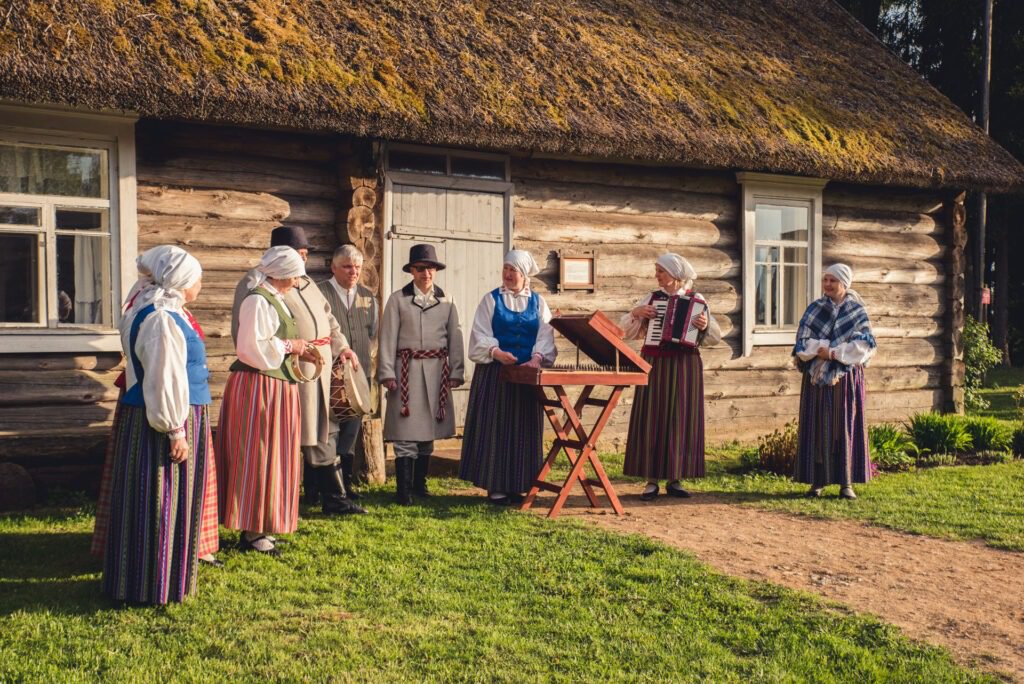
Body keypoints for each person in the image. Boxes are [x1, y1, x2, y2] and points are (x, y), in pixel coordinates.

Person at [93, 250, 221, 568]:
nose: (201, 284)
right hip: (167, 416)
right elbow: (163, 377)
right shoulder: (161, 319)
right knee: (163, 490)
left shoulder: (162, 312)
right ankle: (156, 563)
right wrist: (176, 430)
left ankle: (171, 555)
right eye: (197, 278)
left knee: (172, 492)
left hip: (178, 411)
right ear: (181, 281)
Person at [231, 227, 364, 517]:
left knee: (324, 428)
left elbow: (329, 320)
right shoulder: (255, 285)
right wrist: (279, 360)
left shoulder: (305, 282)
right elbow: (244, 335)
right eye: (297, 255)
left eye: (304, 256)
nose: (302, 263)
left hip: (320, 364)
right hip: (290, 370)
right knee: (300, 432)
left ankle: (328, 496)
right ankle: (320, 496)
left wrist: (342, 347)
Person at [218, 246, 311, 556]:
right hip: (259, 387)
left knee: (276, 456)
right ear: (284, 273)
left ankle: (263, 525)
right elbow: (250, 348)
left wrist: (297, 348)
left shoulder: (277, 300)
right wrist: (289, 344)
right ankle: (253, 530)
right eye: (296, 273)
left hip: (277, 386)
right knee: (258, 455)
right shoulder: (258, 300)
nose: (299, 278)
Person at [620, 253, 721, 501]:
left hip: (685, 364)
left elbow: (714, 337)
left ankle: (676, 478)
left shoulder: (696, 300)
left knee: (680, 417)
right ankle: (651, 480)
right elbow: (627, 330)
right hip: (655, 361)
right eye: (657, 271)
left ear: (675, 275)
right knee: (652, 417)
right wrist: (637, 313)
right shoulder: (652, 299)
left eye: (660, 271)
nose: (657, 275)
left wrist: (705, 324)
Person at [459, 250, 556, 505]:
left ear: (524, 275)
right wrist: (495, 351)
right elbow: (480, 333)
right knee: (496, 427)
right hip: (496, 373)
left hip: (526, 375)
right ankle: (496, 484)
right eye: (505, 269)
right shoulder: (491, 300)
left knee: (523, 427)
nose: (508, 274)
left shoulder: (538, 303)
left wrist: (537, 358)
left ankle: (520, 483)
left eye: (513, 270)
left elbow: (546, 335)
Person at [378, 244, 465, 505]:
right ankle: (403, 490)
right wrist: (387, 372)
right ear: (411, 271)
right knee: (406, 431)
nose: (425, 273)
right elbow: (387, 337)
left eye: (430, 268)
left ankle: (419, 484)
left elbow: (456, 336)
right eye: (419, 268)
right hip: (407, 370)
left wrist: (456, 370)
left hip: (437, 371)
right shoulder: (397, 299)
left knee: (428, 433)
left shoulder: (447, 300)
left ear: (435, 270)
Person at [793, 263, 877, 499]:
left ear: (844, 284)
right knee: (818, 428)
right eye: (825, 280)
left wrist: (832, 352)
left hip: (845, 379)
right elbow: (803, 343)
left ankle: (846, 483)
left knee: (844, 426)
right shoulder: (815, 309)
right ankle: (817, 481)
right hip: (816, 379)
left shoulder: (857, 311)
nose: (827, 285)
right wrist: (827, 349)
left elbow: (863, 347)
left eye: (833, 280)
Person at [319, 244, 379, 500]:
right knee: (325, 431)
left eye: (357, 266)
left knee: (351, 432)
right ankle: (318, 487)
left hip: (358, 374)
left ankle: (346, 486)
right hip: (328, 376)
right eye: (346, 266)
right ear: (334, 267)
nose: (353, 271)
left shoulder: (368, 296)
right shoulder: (320, 293)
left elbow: (372, 333)